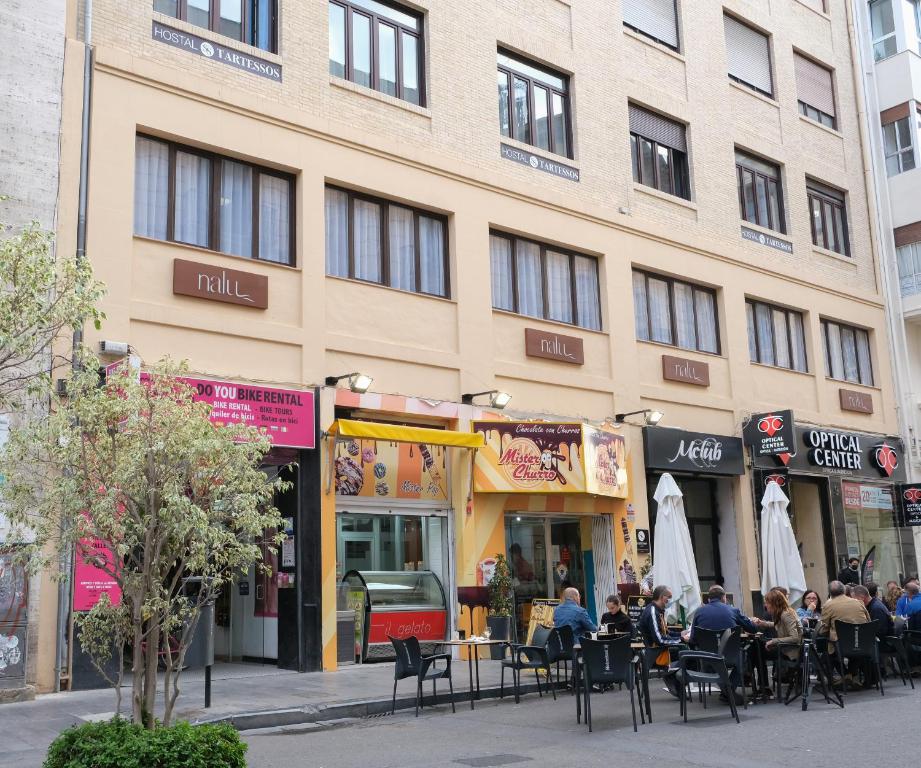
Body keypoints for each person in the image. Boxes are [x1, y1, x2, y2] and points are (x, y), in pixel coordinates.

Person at [637, 585, 686, 699]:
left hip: (657, 649)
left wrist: (680, 634)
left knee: (686, 652)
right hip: (655, 652)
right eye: (669, 597)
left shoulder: (658, 610)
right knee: (687, 654)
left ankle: (671, 676)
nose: (670, 600)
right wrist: (681, 640)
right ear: (662, 597)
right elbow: (659, 640)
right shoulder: (653, 612)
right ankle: (670, 675)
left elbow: (665, 633)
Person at [817, 580, 870, 649]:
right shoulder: (859, 602)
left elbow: (824, 628)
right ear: (844, 590)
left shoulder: (827, 606)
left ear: (830, 593)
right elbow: (869, 622)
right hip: (862, 644)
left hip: (840, 647)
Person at [753, 588, 802, 662]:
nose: (765, 605)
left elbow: (795, 638)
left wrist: (774, 641)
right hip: (786, 647)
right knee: (757, 650)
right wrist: (762, 623)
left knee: (757, 652)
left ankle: (761, 673)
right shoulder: (783, 612)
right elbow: (779, 624)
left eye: (767, 603)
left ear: (774, 604)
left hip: (790, 651)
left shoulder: (786, 614)